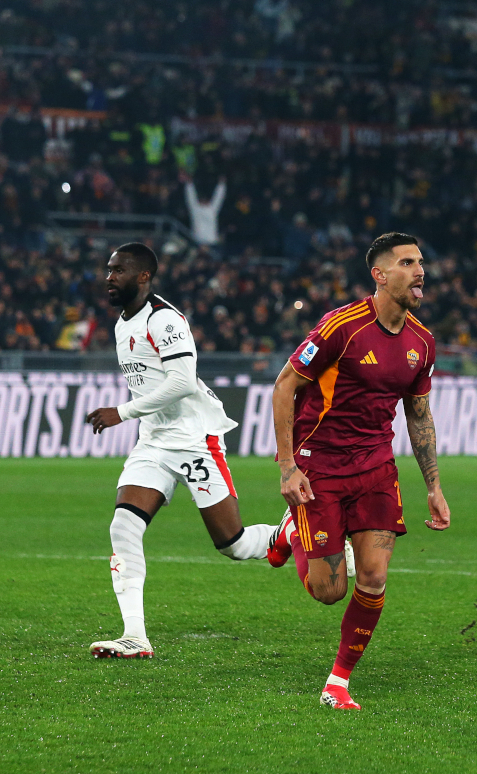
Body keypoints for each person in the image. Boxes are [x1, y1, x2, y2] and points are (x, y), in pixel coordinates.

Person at [266, 232, 450, 710]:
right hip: (319, 465)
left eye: (420, 262)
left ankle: (338, 683)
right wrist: (288, 466)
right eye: (407, 262)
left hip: (375, 467)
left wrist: (434, 485)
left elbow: (418, 413)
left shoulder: (422, 342)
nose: (419, 271)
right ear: (380, 274)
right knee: (329, 590)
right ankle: (290, 529)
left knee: (373, 577)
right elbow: (284, 386)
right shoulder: (341, 327)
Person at [86, 243, 274, 660]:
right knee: (123, 527)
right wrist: (136, 417)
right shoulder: (122, 324)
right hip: (154, 441)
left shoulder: (164, 318)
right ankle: (134, 634)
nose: (108, 277)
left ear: (143, 276)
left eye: (117, 270)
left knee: (234, 544)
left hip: (194, 438)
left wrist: (121, 412)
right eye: (107, 270)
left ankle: (295, 533)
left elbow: (183, 382)